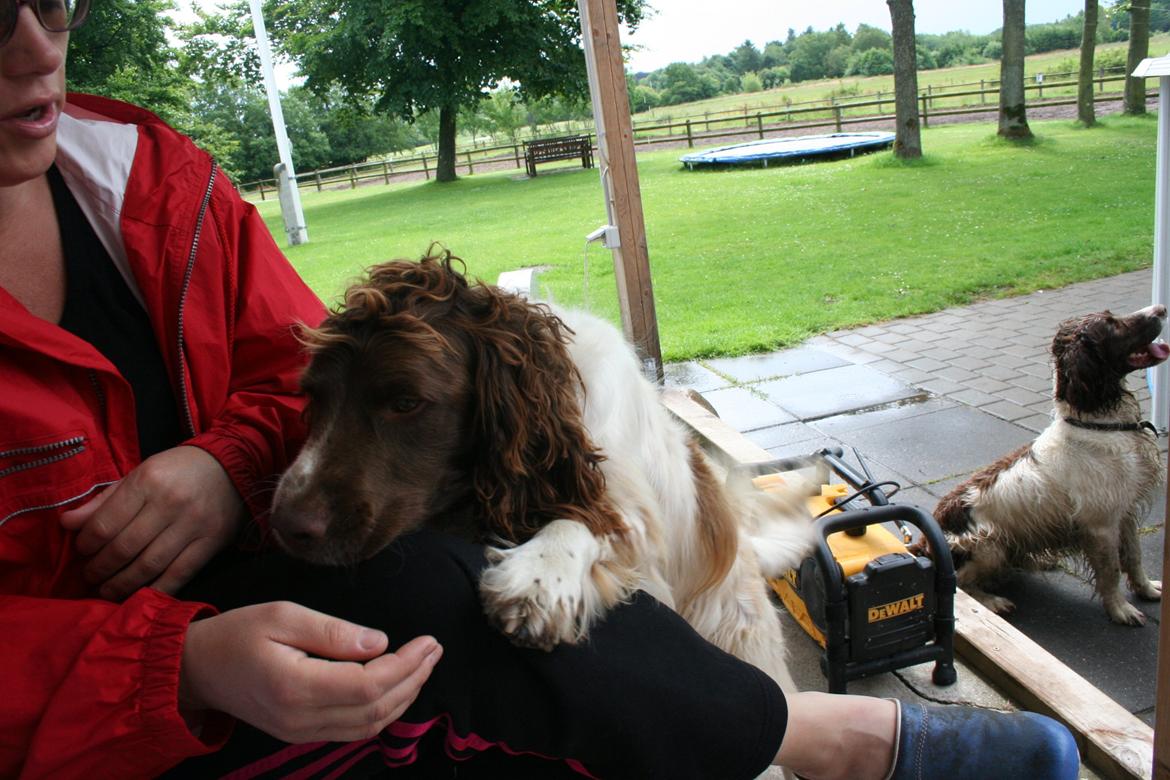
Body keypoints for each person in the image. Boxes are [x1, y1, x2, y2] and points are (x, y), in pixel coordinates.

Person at [0, 1, 1081, 778]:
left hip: (271, 602)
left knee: (435, 566)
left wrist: (228, 464)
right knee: (438, 580)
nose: (42, 51)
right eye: (1, 16)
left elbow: (299, 377)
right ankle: (818, 741)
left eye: (55, 4)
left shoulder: (159, 182)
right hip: (95, 701)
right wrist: (170, 668)